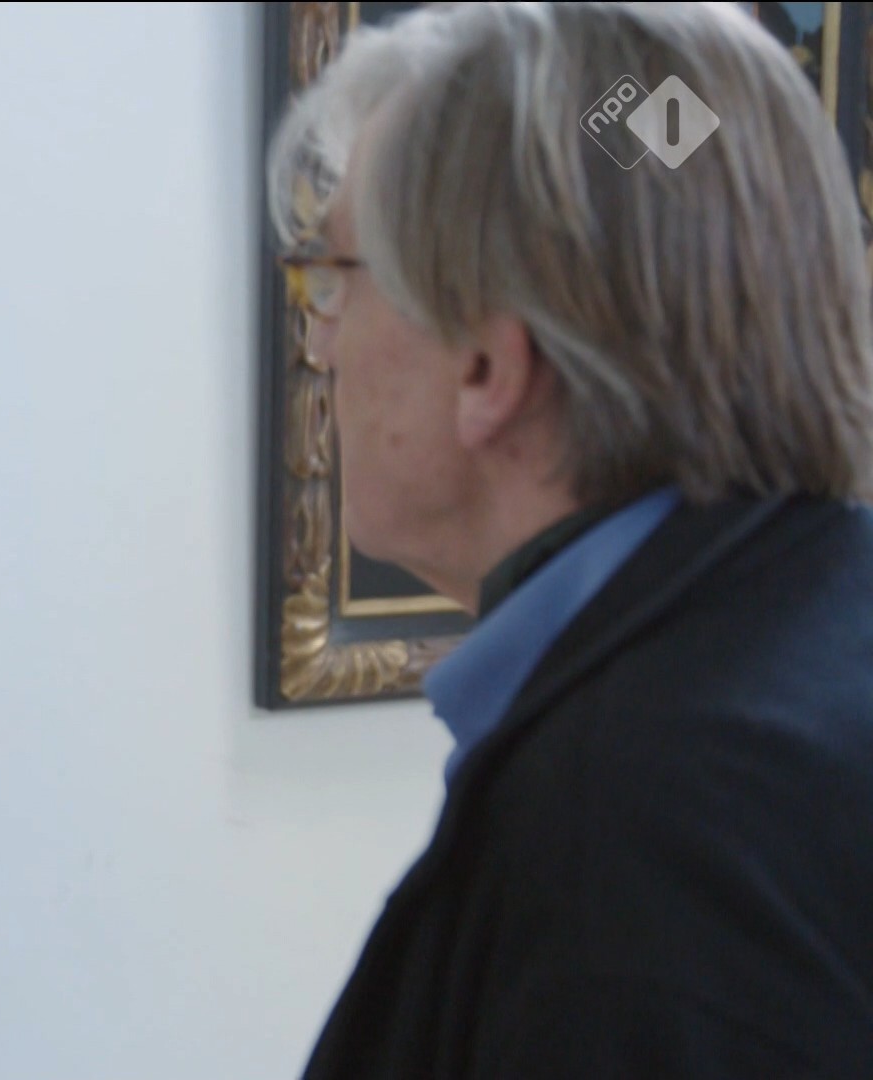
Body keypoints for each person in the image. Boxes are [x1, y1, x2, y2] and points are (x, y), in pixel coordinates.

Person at [266, 3, 873, 1076]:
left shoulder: (637, 838)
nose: (321, 339)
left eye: (336, 278)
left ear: (488, 368)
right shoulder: (812, 648)